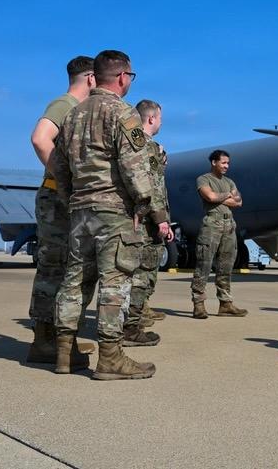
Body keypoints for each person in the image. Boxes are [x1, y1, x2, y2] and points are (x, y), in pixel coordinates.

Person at [49, 50, 173, 380]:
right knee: (114, 284)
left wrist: (71, 198)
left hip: (81, 212)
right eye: (130, 76)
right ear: (122, 77)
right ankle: (110, 357)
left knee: (74, 282)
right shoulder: (122, 113)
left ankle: (64, 352)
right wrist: (145, 208)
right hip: (114, 213)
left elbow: (58, 166)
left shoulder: (73, 115)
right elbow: (135, 171)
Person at [25, 55, 96, 366]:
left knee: (66, 268)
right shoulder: (65, 104)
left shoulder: (76, 110)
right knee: (55, 268)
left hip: (60, 199)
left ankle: (56, 339)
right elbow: (40, 139)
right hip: (56, 200)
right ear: (91, 79)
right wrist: (66, 180)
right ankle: (44, 342)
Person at [120, 99, 170, 342]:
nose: (161, 122)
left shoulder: (145, 147)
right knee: (141, 276)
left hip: (144, 218)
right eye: (160, 117)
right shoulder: (146, 147)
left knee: (140, 274)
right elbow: (152, 187)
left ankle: (131, 322)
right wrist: (161, 219)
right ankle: (131, 328)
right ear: (151, 118)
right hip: (147, 221)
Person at [191, 150, 248, 319]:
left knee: (226, 265)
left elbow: (239, 202)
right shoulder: (204, 179)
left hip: (229, 224)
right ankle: (199, 304)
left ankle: (225, 304)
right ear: (214, 162)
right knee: (204, 264)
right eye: (223, 163)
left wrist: (221, 197)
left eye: (228, 163)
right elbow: (209, 196)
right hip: (212, 224)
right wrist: (227, 195)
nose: (226, 166)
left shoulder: (229, 181)